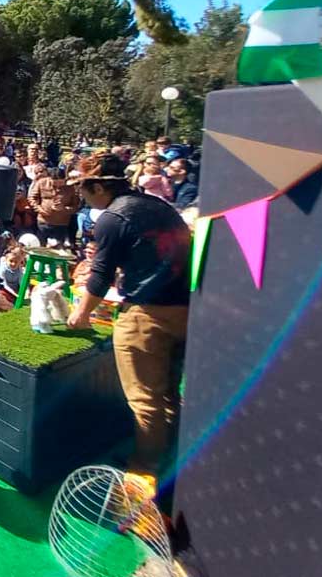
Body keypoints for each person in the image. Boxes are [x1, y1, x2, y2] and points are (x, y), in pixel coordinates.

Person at [66, 152, 191, 478]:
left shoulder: (112, 218)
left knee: (145, 402)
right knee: (168, 396)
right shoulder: (158, 205)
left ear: (98, 187)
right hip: (186, 309)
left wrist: (81, 314)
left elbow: (100, 275)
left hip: (147, 316)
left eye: (82, 189)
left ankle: (144, 477)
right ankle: (172, 463)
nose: (81, 196)